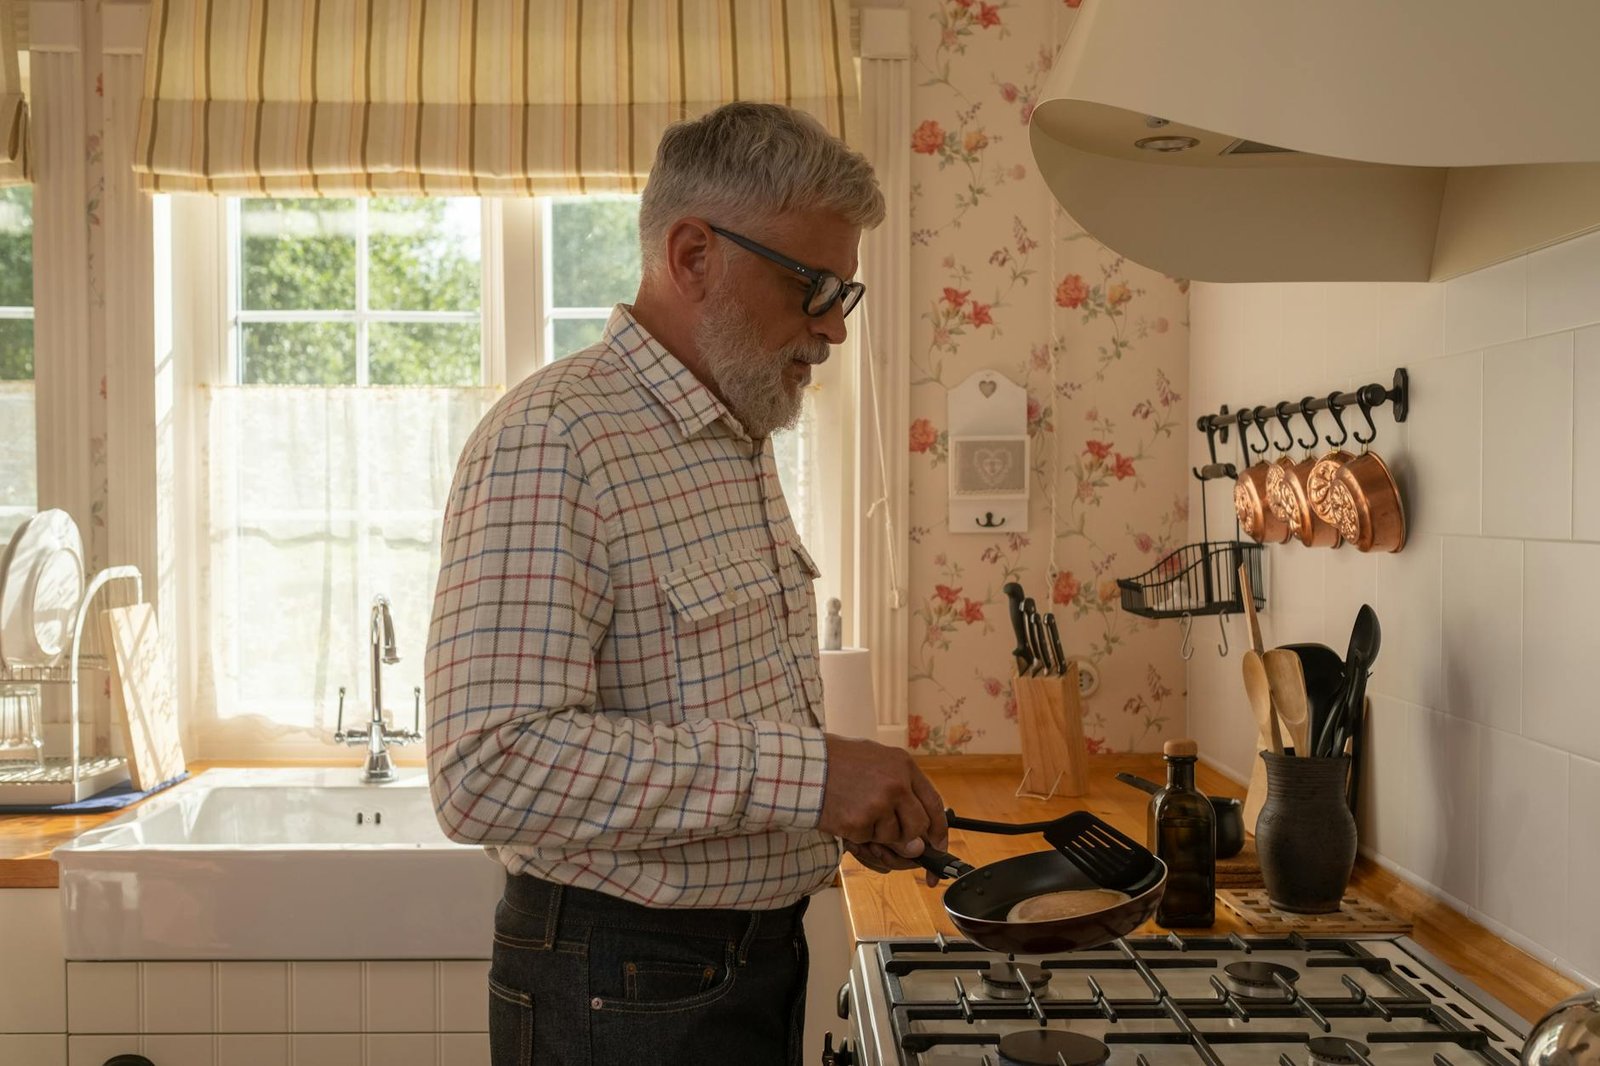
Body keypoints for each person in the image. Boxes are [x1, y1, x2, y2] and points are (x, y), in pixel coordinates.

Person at [425, 101, 949, 1066]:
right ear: (693, 254)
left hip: (740, 963)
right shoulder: (557, 440)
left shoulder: (734, 433)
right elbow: (484, 769)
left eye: (847, 294)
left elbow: (710, 711)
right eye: (813, 286)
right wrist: (814, 777)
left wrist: (833, 805)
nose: (833, 327)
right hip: (619, 981)